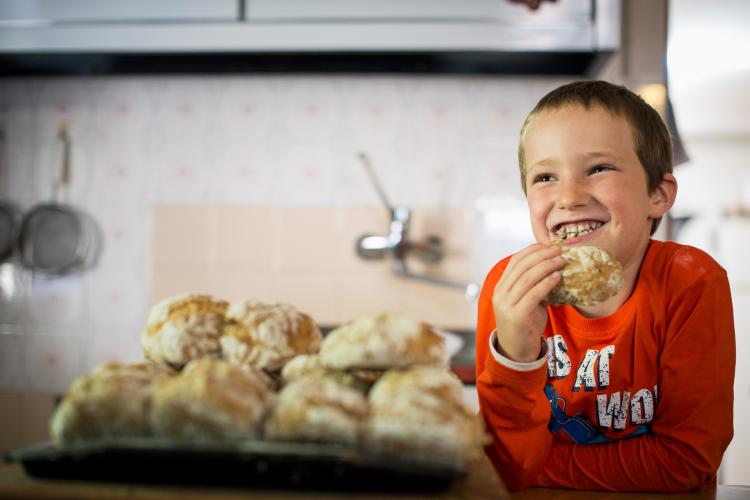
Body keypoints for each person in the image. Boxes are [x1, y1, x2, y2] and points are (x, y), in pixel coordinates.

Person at [475, 80, 735, 492]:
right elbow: (503, 460)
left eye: (597, 169)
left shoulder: (690, 281)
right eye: (545, 176)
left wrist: (540, 465)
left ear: (658, 194)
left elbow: (687, 458)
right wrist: (516, 356)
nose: (569, 197)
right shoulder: (508, 290)